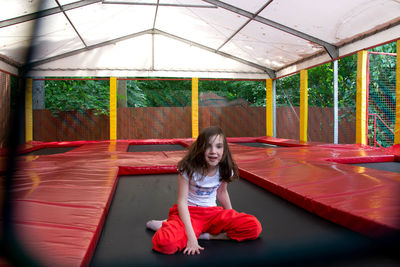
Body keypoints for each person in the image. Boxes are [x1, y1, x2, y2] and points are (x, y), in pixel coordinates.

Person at [147, 126, 262, 255]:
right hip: (190, 213)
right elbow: (182, 202)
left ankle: (206, 236)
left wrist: (231, 218)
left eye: (218, 146)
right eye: (208, 146)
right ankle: (166, 224)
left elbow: (222, 192)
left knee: (254, 226)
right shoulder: (188, 169)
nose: (213, 151)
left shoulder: (225, 169)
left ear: (224, 150)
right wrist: (191, 238)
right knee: (165, 243)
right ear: (201, 148)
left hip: (212, 214)